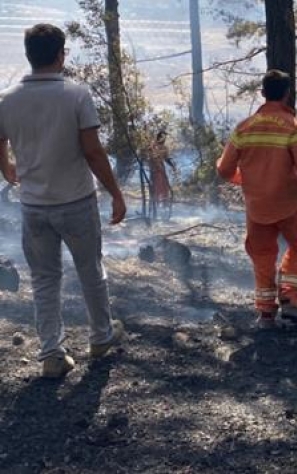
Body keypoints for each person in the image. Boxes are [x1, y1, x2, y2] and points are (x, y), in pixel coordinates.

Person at [0, 24, 126, 378]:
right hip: (75, 202)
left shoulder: (7, 99)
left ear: (28, 55)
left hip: (34, 206)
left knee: (44, 279)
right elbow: (93, 152)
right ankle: (101, 337)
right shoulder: (76, 95)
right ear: (61, 54)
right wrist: (116, 193)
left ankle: (51, 354)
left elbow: (0, 141)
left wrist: (7, 168)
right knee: (91, 271)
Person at [217, 70, 297, 328]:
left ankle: (265, 313)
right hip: (290, 203)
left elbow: (223, 170)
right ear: (287, 94)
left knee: (262, 255)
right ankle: (289, 299)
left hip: (256, 207)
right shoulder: (294, 127)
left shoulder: (244, 128)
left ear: (262, 93)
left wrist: (248, 180)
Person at [149, 130, 176, 216]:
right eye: (163, 137)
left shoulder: (164, 148)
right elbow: (151, 157)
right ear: (159, 137)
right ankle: (154, 207)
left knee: (164, 187)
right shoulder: (153, 145)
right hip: (154, 169)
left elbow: (166, 158)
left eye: (165, 138)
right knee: (156, 187)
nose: (164, 140)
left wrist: (172, 166)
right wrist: (156, 165)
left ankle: (164, 206)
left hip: (161, 168)